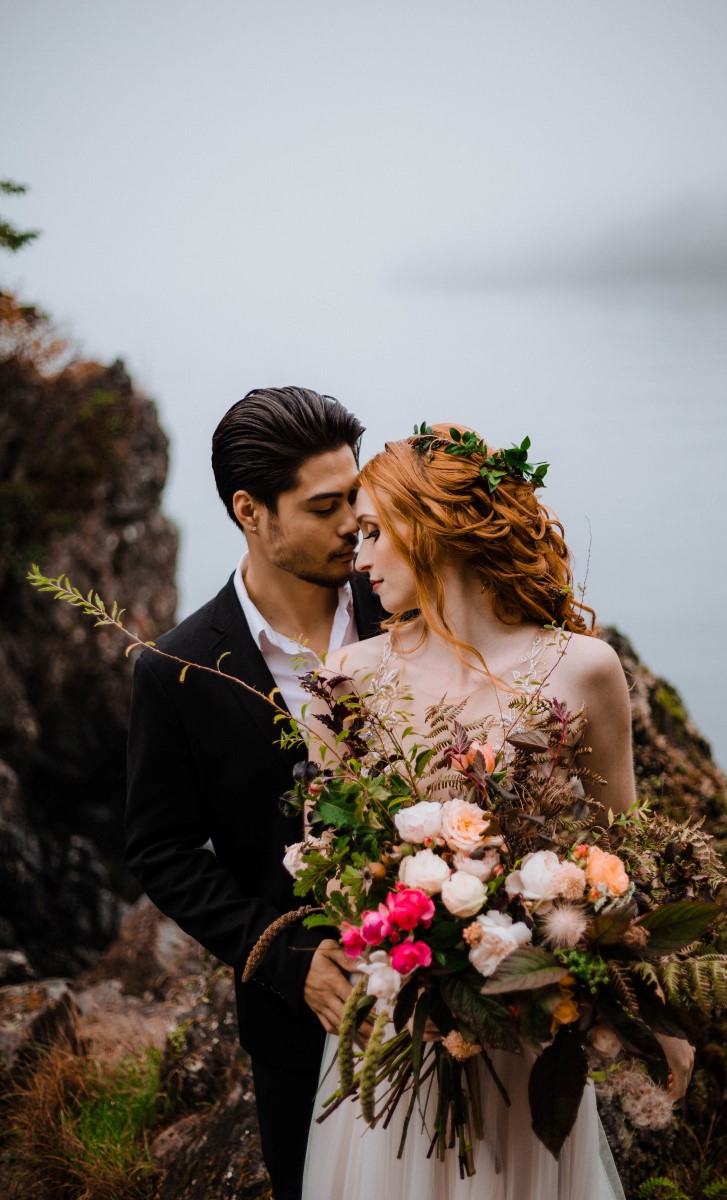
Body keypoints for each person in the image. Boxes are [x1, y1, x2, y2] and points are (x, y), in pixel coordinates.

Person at [301, 423, 694, 1199]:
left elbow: (622, 865)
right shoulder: (346, 679)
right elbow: (331, 868)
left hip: (532, 1032)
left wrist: (658, 1018)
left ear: (435, 529)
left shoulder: (583, 668)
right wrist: (417, 933)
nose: (361, 556)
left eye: (377, 531)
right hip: (403, 1033)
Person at [124, 387, 384, 1200]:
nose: (353, 524)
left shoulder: (410, 606)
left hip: (453, 990)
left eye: (357, 498)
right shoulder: (176, 669)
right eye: (325, 506)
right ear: (251, 512)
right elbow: (160, 850)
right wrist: (281, 958)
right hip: (297, 1026)